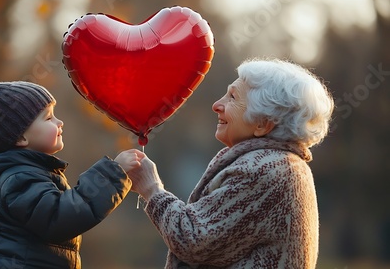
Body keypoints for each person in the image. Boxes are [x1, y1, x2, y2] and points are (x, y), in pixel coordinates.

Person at [128, 58, 334, 268]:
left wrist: (152, 189)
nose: (217, 105)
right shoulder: (283, 165)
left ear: (263, 124)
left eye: (233, 97)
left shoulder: (265, 170)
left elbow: (193, 240)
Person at [0, 81, 144, 269]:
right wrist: (112, 174)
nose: (59, 122)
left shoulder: (32, 174)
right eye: (48, 118)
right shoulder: (20, 178)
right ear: (20, 137)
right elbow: (59, 217)